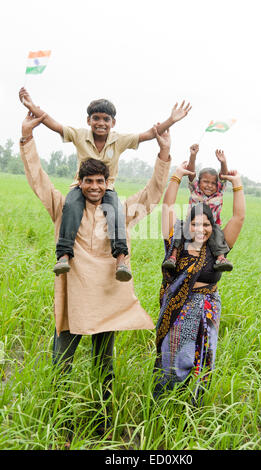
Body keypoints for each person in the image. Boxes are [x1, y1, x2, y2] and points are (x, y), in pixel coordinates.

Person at [19, 111, 172, 431]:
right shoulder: (64, 208)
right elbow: (39, 180)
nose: (93, 186)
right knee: (62, 362)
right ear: (80, 182)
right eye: (88, 181)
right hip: (74, 300)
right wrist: (27, 138)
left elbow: (153, 194)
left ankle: (102, 421)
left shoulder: (122, 211)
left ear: (107, 184)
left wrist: (163, 155)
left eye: (99, 181)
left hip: (105, 300)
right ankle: (56, 418)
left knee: (105, 365)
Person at [19, 87, 191, 281]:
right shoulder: (78, 138)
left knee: (115, 210)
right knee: (70, 205)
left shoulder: (119, 144)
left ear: (113, 122)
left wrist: (171, 121)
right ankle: (64, 255)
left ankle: (121, 258)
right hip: (77, 190)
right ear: (88, 120)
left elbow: (148, 134)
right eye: (96, 118)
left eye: (106, 119)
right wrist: (32, 109)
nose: (101, 123)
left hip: (109, 193)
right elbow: (53, 125)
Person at [154, 153, 245, 404]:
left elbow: (238, 218)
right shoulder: (177, 241)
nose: (201, 229)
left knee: (203, 357)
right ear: (187, 225)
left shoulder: (218, 247)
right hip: (179, 308)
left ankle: (193, 406)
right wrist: (176, 176)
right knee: (174, 356)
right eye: (195, 223)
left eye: (206, 224)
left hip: (207, 307)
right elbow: (167, 208)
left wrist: (237, 184)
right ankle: (164, 403)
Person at [162, 144, 233, 273]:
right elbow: (191, 174)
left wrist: (223, 163)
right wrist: (193, 156)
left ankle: (221, 258)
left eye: (213, 183)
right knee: (178, 229)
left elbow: (223, 177)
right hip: (191, 222)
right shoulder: (195, 190)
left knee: (218, 235)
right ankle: (173, 256)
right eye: (206, 181)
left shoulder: (219, 193)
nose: (209, 186)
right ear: (199, 182)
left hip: (211, 225)